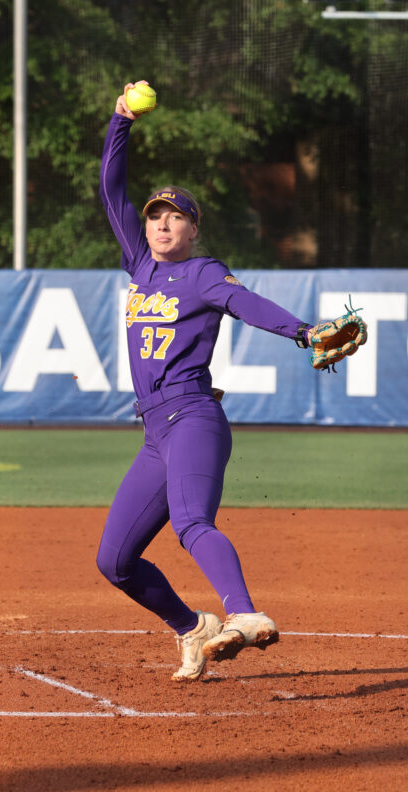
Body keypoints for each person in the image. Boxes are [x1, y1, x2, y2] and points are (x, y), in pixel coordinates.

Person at [95, 82, 316, 681]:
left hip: (193, 416)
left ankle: (243, 614)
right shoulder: (139, 266)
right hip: (153, 433)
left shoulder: (203, 274)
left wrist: (302, 331)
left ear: (194, 231)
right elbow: (109, 188)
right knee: (113, 561)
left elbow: (248, 305)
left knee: (193, 523)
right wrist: (120, 121)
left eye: (177, 217)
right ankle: (194, 628)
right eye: (156, 216)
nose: (163, 224)